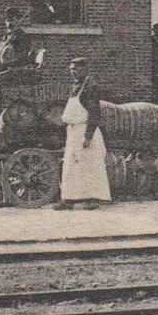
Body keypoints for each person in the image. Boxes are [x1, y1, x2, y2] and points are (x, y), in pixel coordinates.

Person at [55, 57, 111, 209]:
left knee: (89, 167)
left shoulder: (90, 88)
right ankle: (68, 199)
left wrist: (88, 136)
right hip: (73, 131)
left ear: (85, 70)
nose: (73, 72)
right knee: (71, 167)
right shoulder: (76, 87)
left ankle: (93, 199)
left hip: (85, 131)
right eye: (71, 69)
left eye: (77, 69)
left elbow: (94, 113)